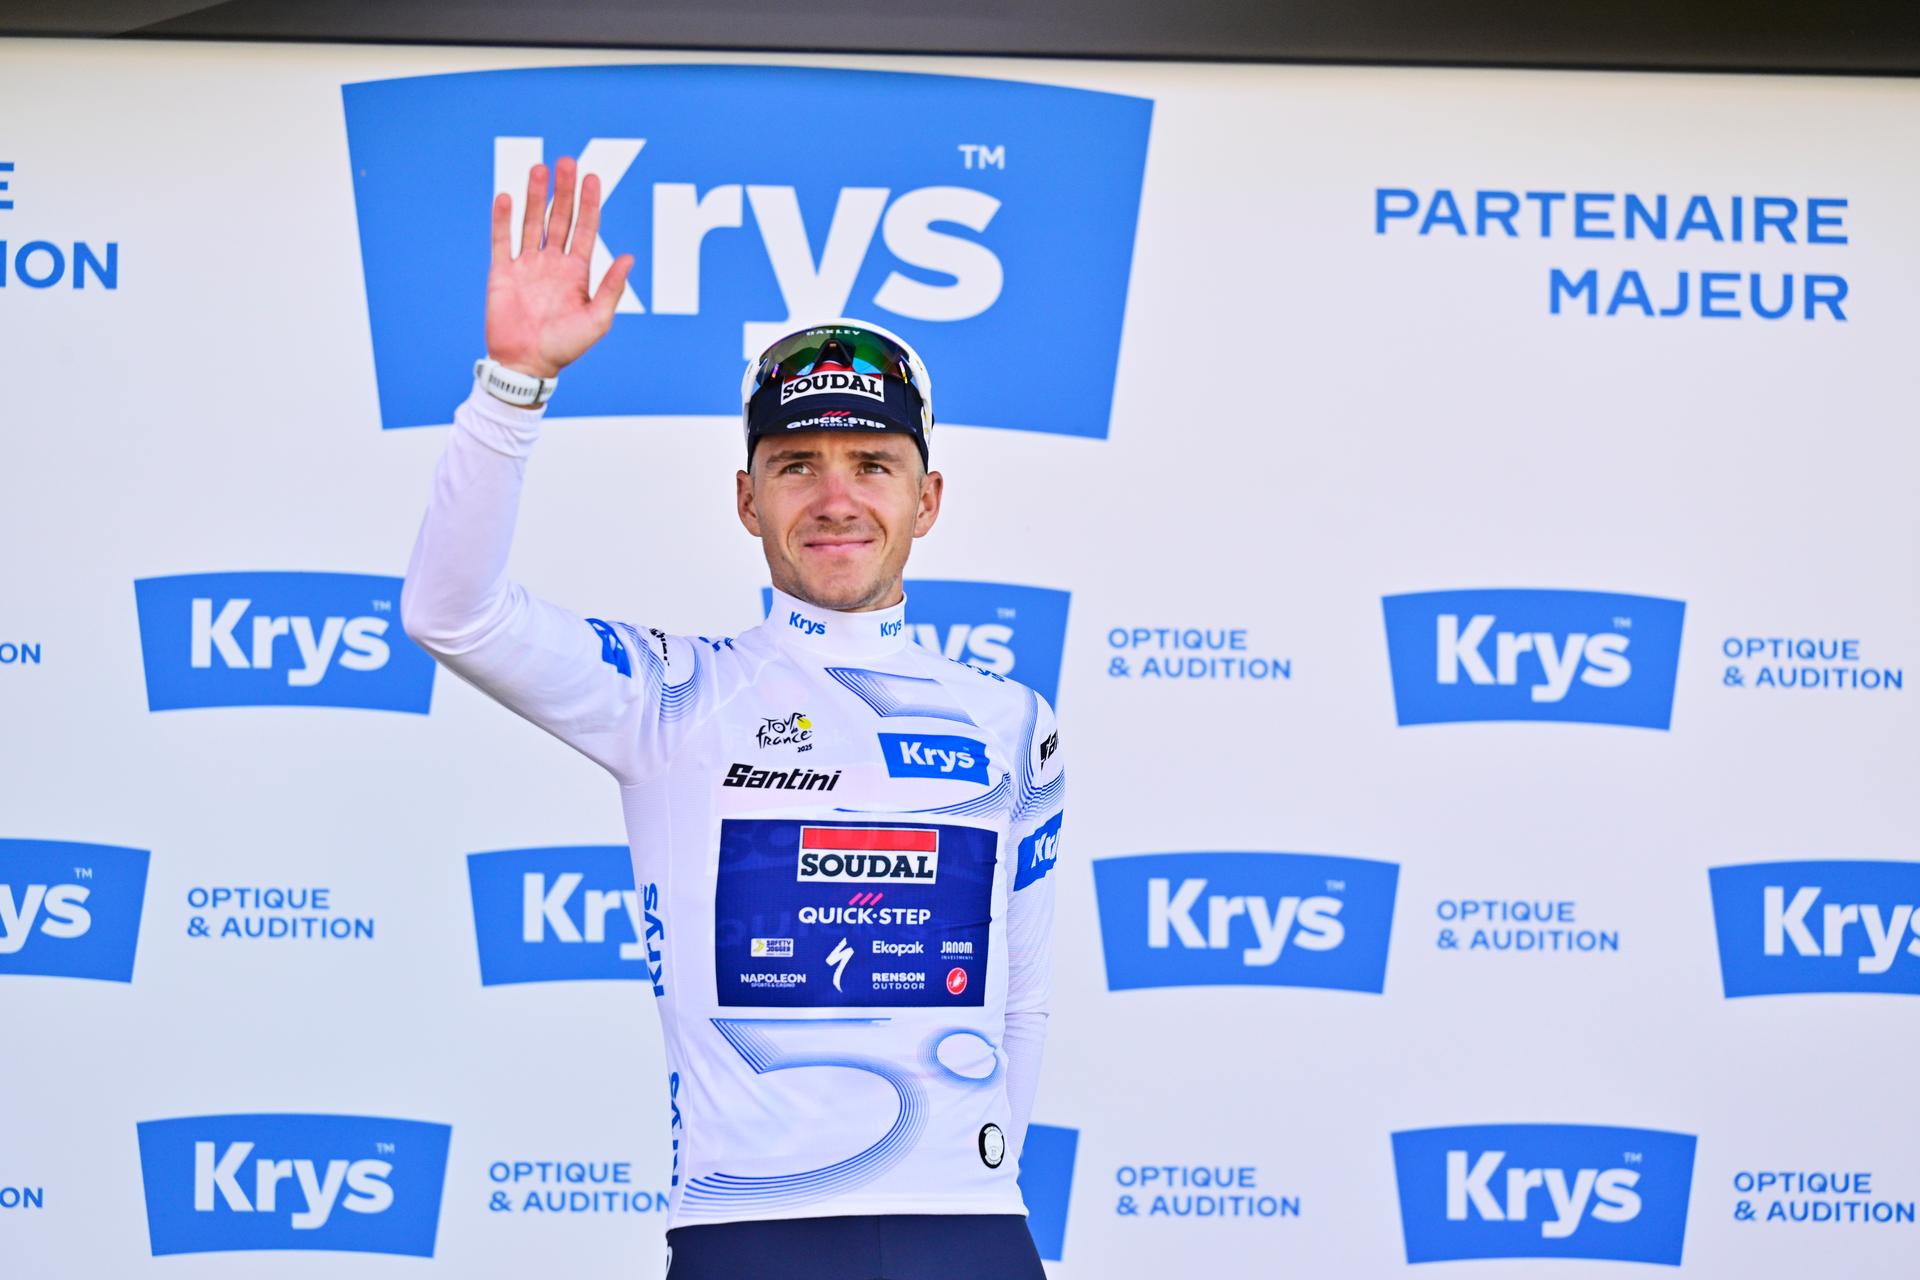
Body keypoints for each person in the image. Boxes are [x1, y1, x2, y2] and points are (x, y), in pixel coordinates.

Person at [401, 157, 1063, 1279]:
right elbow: (450, 612)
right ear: (748, 498)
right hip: (745, 1235)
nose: (837, 495)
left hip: (969, 1230)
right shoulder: (673, 697)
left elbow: (1023, 998)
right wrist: (513, 383)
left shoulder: (1012, 717)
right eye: (796, 465)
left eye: (873, 463)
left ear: (927, 499)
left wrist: (973, 1181)